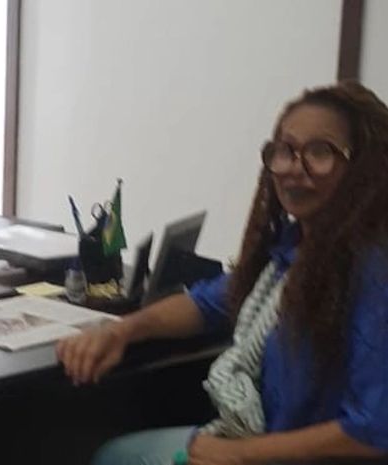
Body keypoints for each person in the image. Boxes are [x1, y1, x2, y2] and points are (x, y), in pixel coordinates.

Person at [56, 81, 388, 464]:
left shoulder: (373, 270)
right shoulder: (294, 252)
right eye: (284, 151)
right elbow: (208, 303)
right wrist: (121, 331)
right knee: (117, 454)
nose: (294, 168)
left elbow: (373, 431)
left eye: (320, 152)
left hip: (288, 455)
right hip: (260, 441)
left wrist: (241, 454)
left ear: (363, 168)